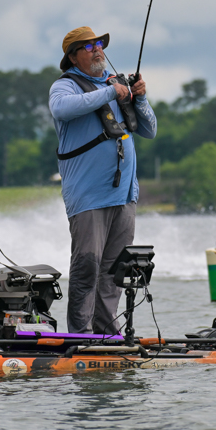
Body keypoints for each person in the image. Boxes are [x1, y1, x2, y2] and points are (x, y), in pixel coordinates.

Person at [49, 26, 157, 334]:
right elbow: (61, 108)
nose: (97, 49)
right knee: (87, 266)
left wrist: (140, 97)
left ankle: (107, 333)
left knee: (114, 271)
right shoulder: (65, 86)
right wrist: (111, 92)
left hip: (124, 196)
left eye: (99, 44)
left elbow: (150, 130)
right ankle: (79, 335)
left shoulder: (115, 84)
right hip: (88, 197)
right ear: (72, 57)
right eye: (88, 47)